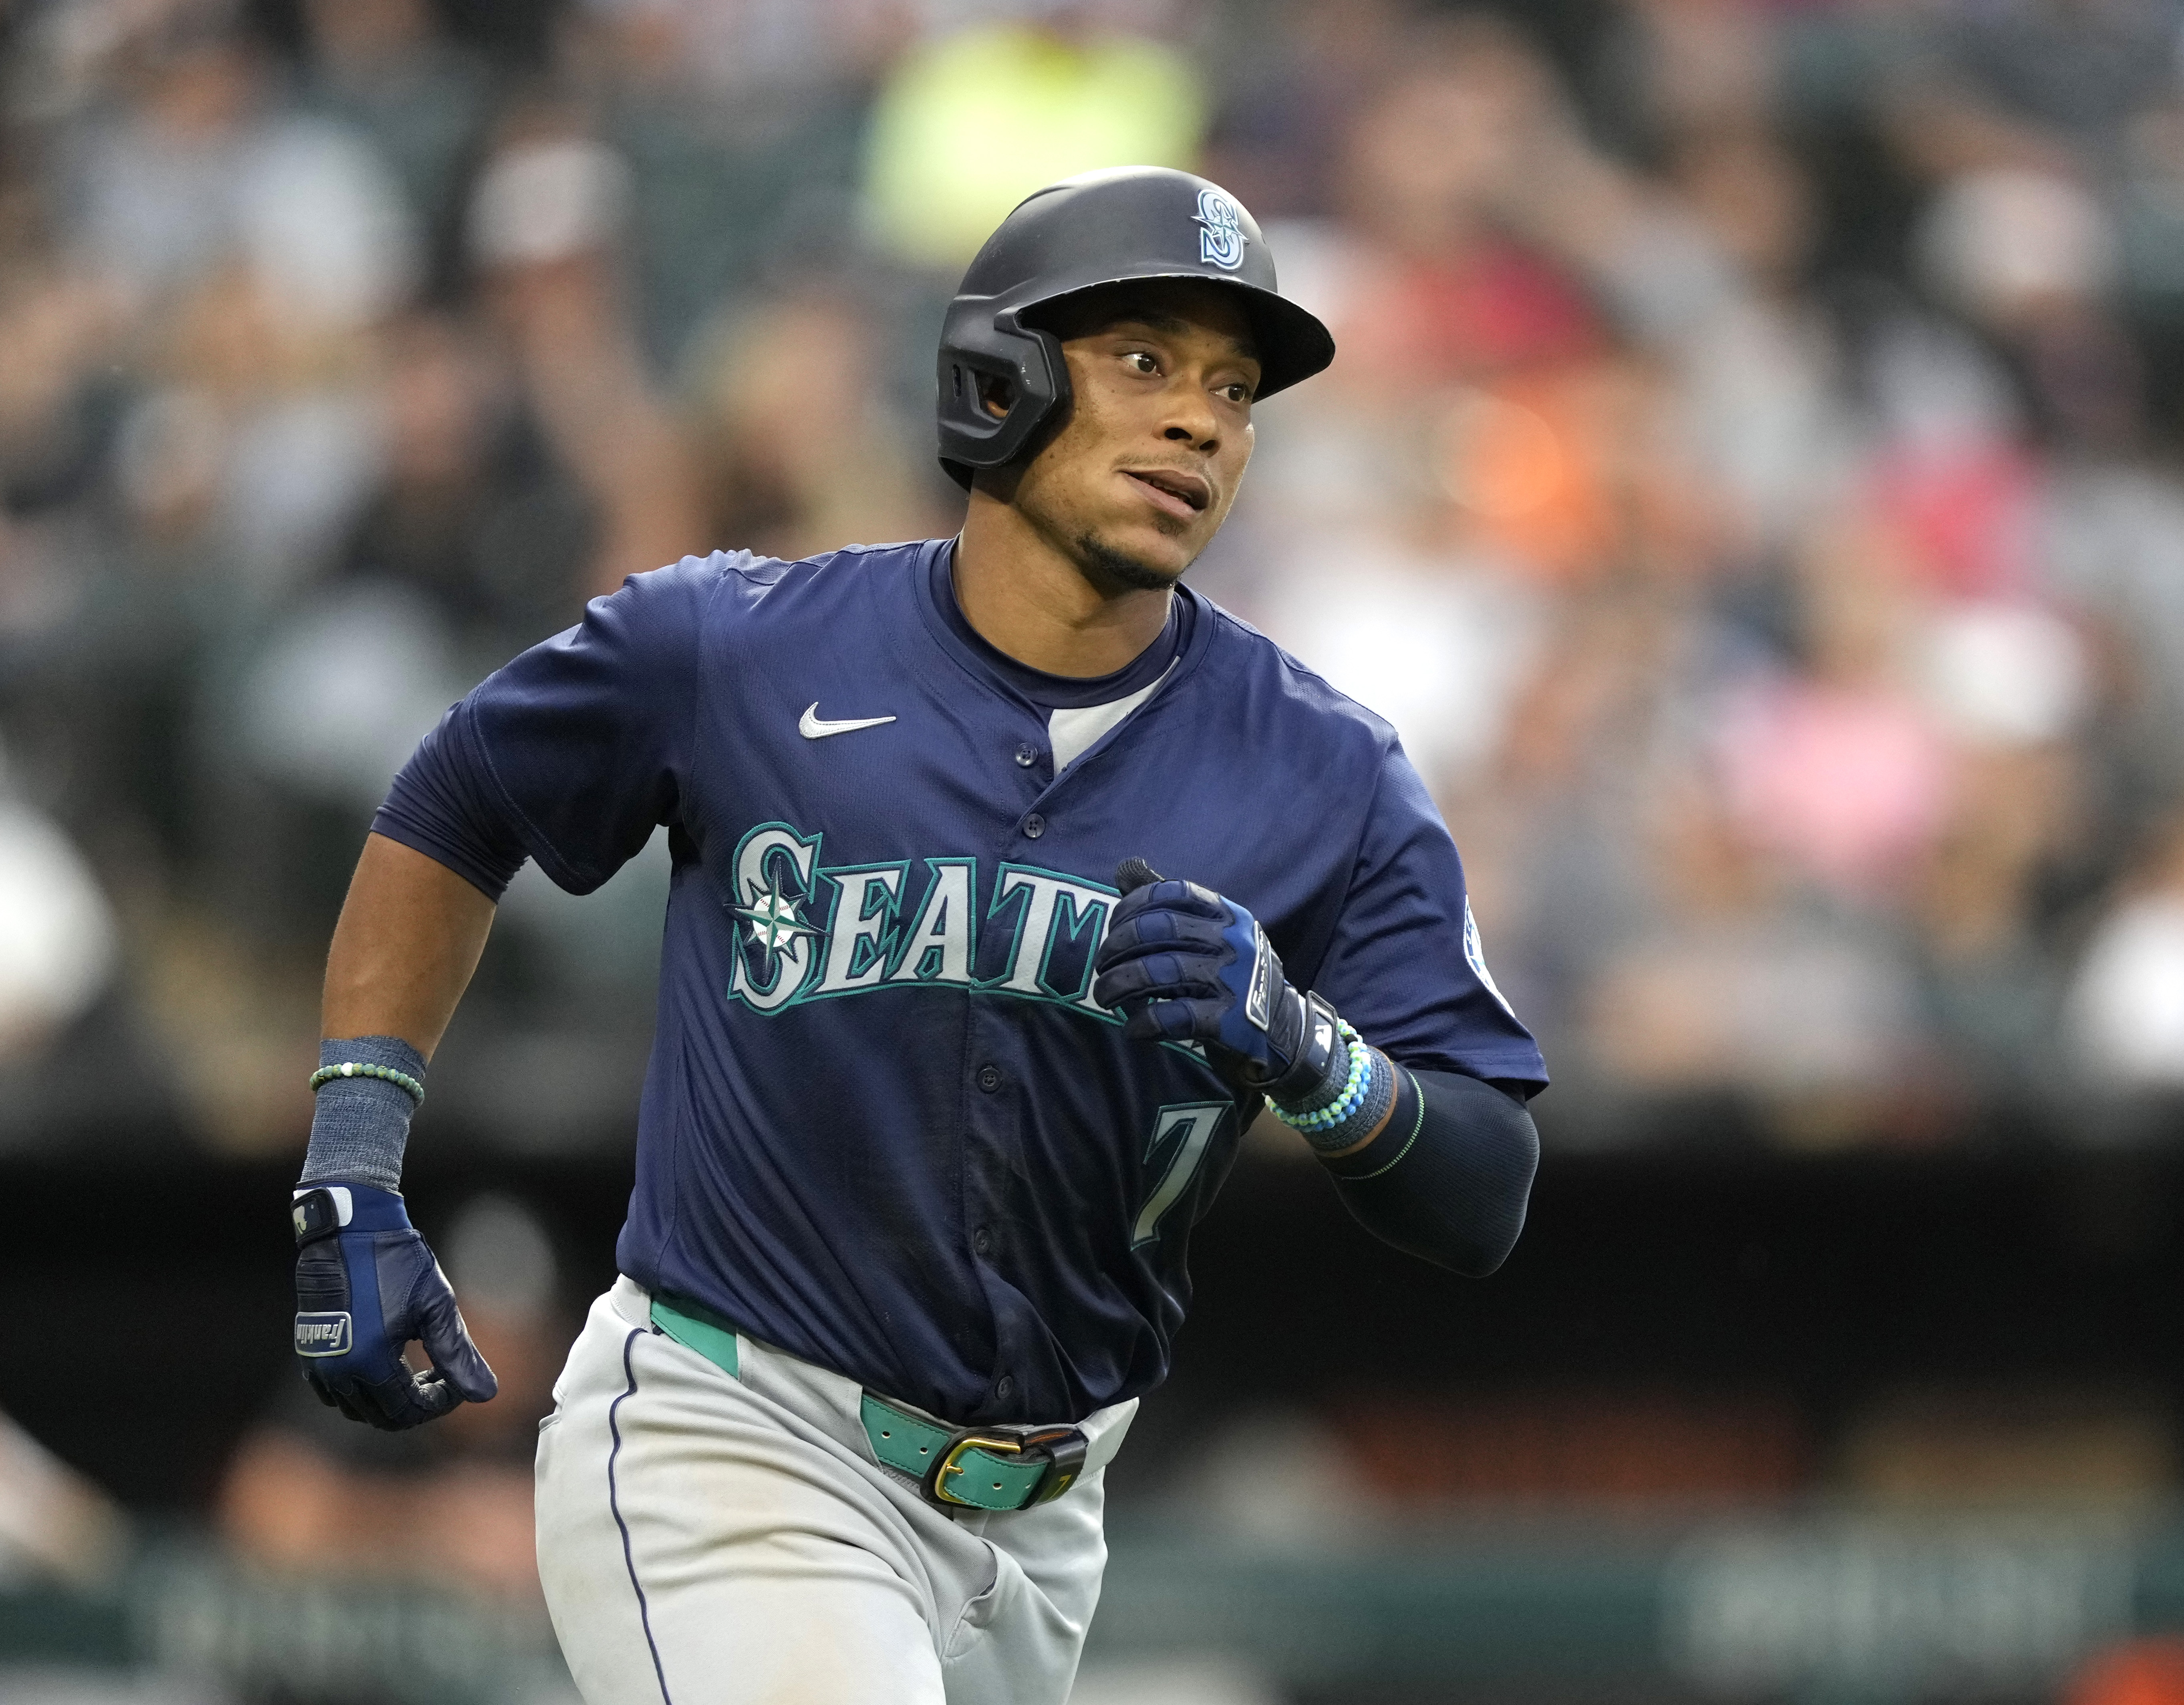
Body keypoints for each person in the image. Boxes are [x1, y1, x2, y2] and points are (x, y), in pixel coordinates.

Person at [283, 167, 1547, 1704]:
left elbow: (1483, 1181)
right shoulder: (736, 647)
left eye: (1233, 387)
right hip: (736, 1433)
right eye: (1144, 360)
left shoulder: (1329, 771)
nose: (1201, 420)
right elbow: (457, 799)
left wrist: (1314, 1054)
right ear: (997, 378)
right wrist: (353, 1153)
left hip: (1047, 1519)